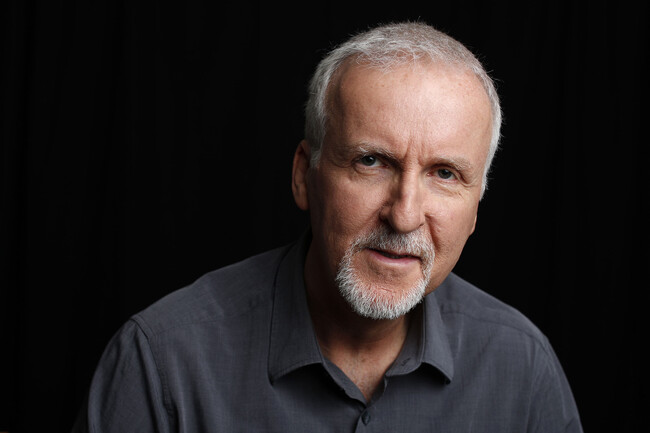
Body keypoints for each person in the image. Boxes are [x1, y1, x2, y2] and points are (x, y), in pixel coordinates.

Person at [72, 21, 583, 432]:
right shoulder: (161, 362)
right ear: (304, 176)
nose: (404, 214)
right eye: (370, 161)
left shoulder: (523, 367)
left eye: (444, 174)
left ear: (475, 209)